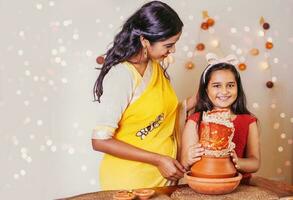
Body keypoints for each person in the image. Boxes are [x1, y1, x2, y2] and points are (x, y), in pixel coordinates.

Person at [92, 1, 197, 190]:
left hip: (161, 181)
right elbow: (100, 140)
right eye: (169, 45)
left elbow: (163, 115)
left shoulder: (155, 66)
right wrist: (158, 160)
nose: (172, 50)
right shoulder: (122, 75)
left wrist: (199, 98)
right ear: (144, 41)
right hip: (129, 183)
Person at [180, 53, 260, 183]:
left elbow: (255, 162)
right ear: (206, 90)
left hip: (239, 185)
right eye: (217, 86)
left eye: (230, 85)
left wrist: (237, 161)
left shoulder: (248, 121)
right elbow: (184, 162)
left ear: (237, 88)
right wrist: (188, 158)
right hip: (204, 183)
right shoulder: (195, 120)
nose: (224, 91)